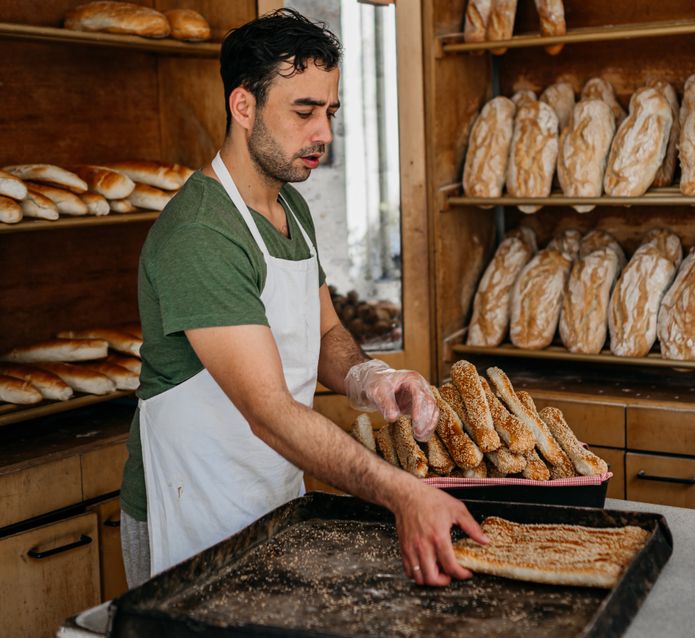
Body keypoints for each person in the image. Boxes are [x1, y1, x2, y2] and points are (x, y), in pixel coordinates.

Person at [119, 8, 486, 589]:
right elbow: (268, 412)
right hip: (189, 514)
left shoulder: (292, 206)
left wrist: (371, 378)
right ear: (244, 107)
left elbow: (323, 334)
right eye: (304, 111)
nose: (325, 134)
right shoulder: (200, 234)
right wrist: (401, 492)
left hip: (272, 498)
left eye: (331, 112)